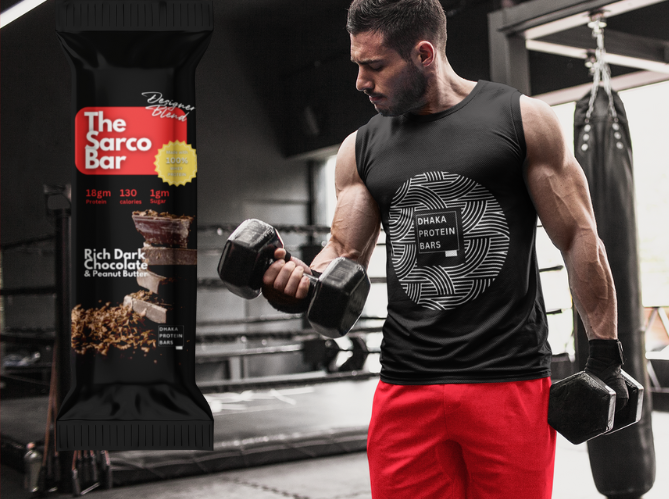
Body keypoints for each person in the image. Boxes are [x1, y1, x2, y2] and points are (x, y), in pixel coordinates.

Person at [261, 1, 628, 497]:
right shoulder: (360, 148)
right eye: (357, 66)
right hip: (406, 387)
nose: (361, 83)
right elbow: (344, 254)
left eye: (375, 67)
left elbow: (579, 236)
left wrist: (604, 354)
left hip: (509, 383)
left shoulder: (522, 119)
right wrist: (299, 283)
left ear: (424, 54)